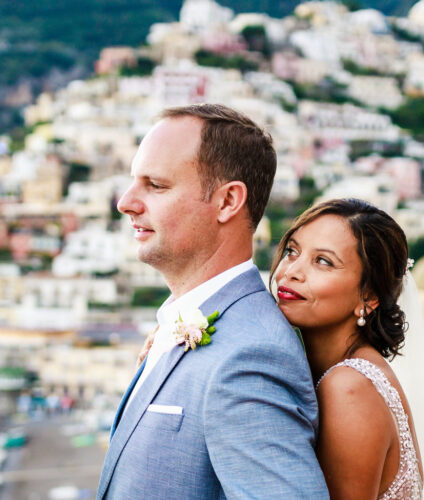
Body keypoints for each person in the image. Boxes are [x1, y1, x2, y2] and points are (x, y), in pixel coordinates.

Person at [96, 104, 329, 499]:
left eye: (156, 185)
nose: (125, 202)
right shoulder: (184, 323)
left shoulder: (252, 355)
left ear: (227, 202)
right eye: (134, 181)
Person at [270, 198, 424, 500]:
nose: (291, 271)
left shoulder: (349, 389)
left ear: (369, 297)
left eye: (323, 261)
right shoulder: (352, 375)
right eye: (292, 251)